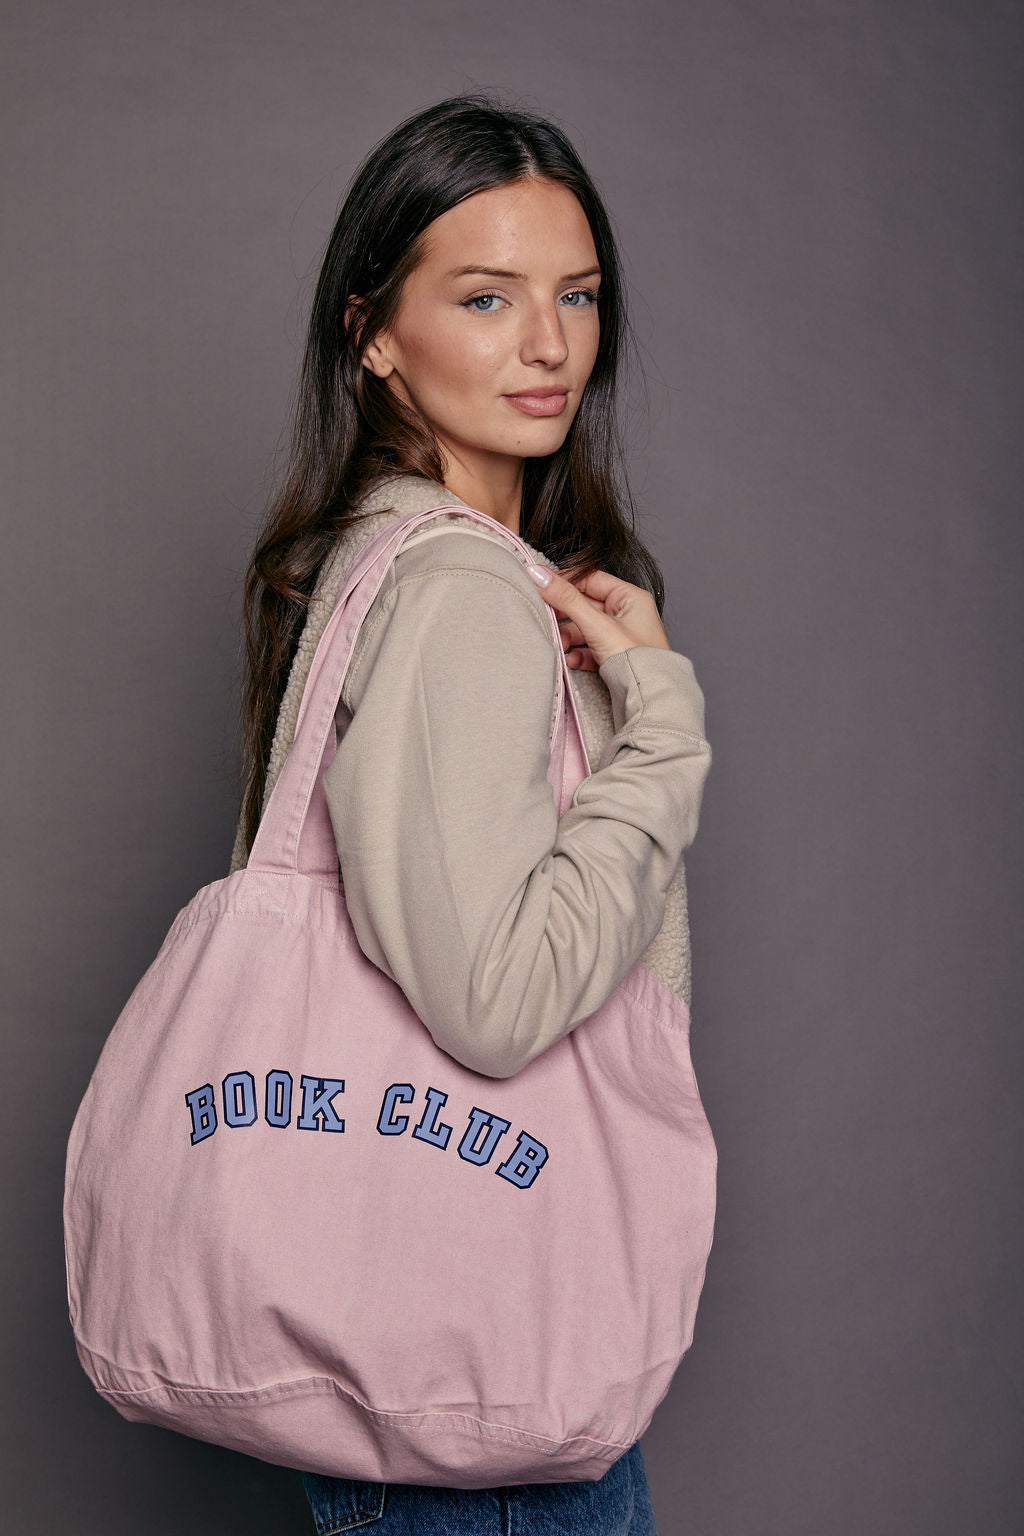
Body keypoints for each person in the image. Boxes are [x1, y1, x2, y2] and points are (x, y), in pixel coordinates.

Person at [232, 92, 712, 1536]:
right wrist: (665, 721)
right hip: (485, 1391)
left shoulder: (391, 561)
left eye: (577, 296)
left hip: (416, 1352)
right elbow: (497, 1006)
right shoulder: (453, 589)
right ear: (374, 330)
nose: (550, 343)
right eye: (487, 296)